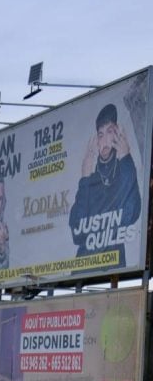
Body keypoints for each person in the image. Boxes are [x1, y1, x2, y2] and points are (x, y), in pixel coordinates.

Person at [68, 103, 142, 266]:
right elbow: (77, 234)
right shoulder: (89, 180)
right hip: (83, 269)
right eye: (100, 134)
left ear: (118, 133)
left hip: (113, 266)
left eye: (110, 131)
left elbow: (131, 214)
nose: (105, 140)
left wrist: (126, 159)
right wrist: (85, 180)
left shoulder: (124, 172)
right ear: (96, 141)